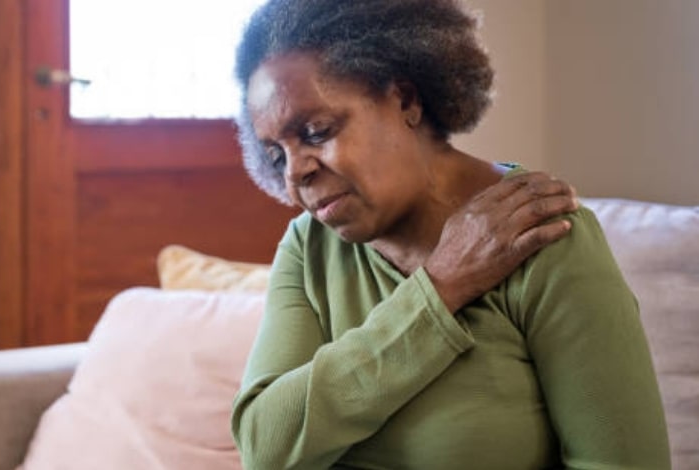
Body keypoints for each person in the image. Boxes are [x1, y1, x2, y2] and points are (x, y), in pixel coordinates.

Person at [229, 0, 670, 469]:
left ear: (406, 100)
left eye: (317, 131)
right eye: (276, 156)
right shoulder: (309, 247)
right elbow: (265, 448)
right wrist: (439, 289)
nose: (295, 173)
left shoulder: (540, 233)